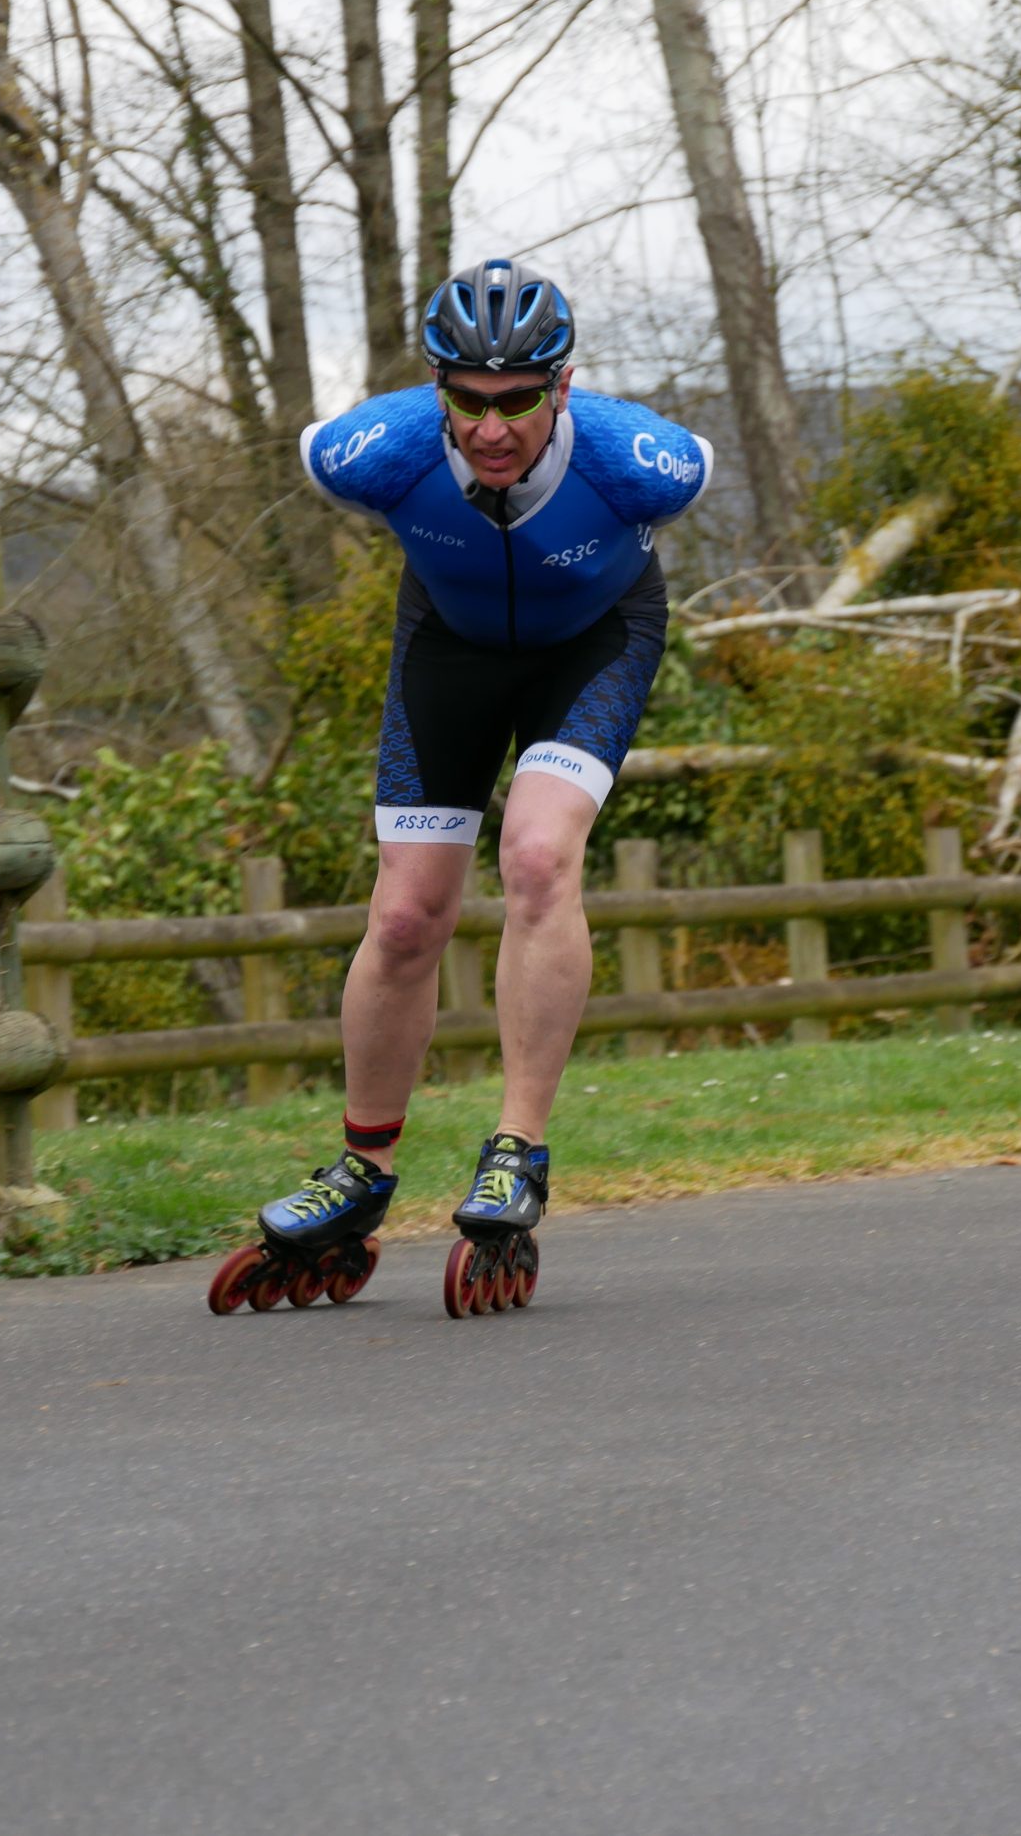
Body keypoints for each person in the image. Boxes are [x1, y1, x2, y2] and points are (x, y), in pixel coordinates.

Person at [205, 257, 713, 1318]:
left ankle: (517, 1149)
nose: (490, 429)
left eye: (518, 401)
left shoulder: (641, 464)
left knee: (536, 856)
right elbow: (334, 447)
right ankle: (362, 1168)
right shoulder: (370, 451)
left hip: (594, 645)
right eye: (468, 401)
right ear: (435, 386)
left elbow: (696, 462)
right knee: (405, 915)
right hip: (448, 646)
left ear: (562, 385)